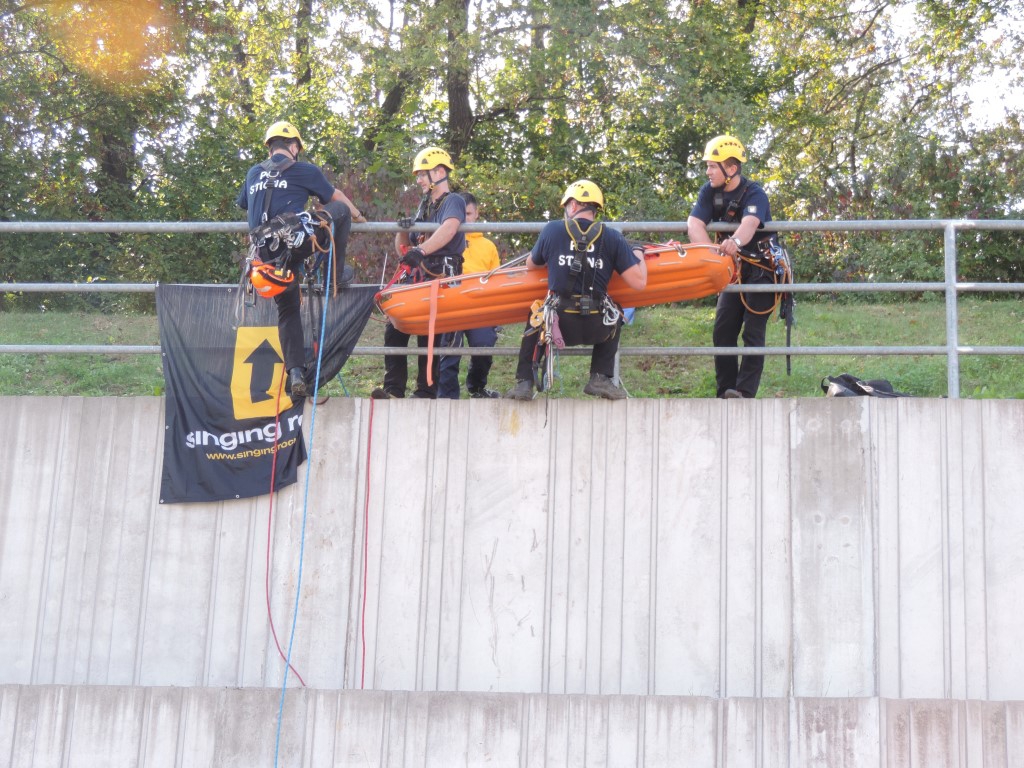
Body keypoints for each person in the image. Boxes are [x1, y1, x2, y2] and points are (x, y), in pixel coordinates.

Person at [237, 120, 365, 400]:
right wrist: (359, 216)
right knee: (340, 211)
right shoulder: (304, 170)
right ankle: (333, 274)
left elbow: (245, 203)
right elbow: (336, 197)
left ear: (270, 148)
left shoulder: (253, 173)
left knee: (288, 310)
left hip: (265, 256)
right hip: (294, 243)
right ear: (294, 146)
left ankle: (295, 372)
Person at [505, 180, 647, 401]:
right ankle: (600, 377)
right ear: (595, 209)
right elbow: (639, 282)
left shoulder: (553, 230)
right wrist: (638, 253)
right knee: (616, 311)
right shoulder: (613, 237)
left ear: (572, 205)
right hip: (597, 326)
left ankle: (525, 382)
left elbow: (531, 264)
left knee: (537, 315)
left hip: (559, 325)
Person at [371, 146, 467, 399]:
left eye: (423, 174)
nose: (419, 180)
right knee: (395, 326)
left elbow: (449, 229)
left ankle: (426, 390)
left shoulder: (453, 201)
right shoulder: (425, 206)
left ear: (440, 172)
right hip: (420, 275)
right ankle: (393, 389)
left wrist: (421, 251)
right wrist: (403, 231)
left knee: (429, 332)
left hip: (440, 274)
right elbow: (403, 251)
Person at [687, 134, 776, 399]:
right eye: (708, 166)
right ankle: (725, 391)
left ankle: (744, 393)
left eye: (712, 166)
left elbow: (750, 223)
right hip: (732, 270)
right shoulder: (709, 192)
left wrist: (734, 241)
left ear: (732, 168)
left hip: (761, 269)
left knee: (753, 332)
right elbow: (694, 224)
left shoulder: (755, 193)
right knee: (723, 330)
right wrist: (712, 256)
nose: (708, 172)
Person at [437, 192, 501, 399]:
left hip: (480, 305)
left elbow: (496, 280)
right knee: (449, 350)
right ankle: (447, 397)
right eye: (459, 215)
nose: (463, 219)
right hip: (451, 302)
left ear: (476, 214)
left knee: (484, 345)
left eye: (468, 214)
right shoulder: (443, 240)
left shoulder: (488, 246)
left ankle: (477, 387)